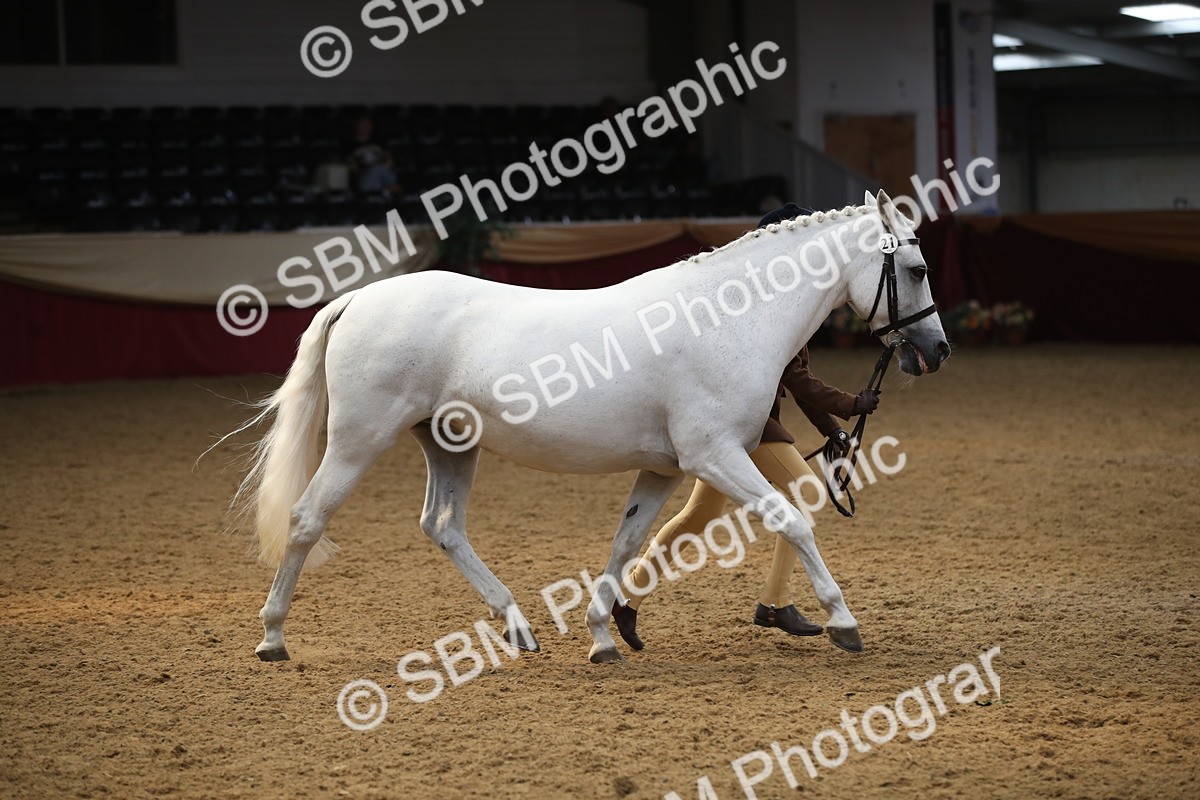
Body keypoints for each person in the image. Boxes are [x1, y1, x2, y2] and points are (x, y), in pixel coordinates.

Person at [612, 203, 880, 650]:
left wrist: (832, 430)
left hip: (736, 428)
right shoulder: (764, 309)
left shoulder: (777, 305)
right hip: (748, 429)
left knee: (699, 515)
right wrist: (852, 405)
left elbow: (794, 379)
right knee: (807, 492)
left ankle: (629, 597)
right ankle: (774, 603)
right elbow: (798, 378)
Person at [347, 115, 400, 195]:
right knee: (373, 176)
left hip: (382, 171)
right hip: (364, 174)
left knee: (378, 170)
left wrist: (383, 166)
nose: (365, 127)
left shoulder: (378, 142)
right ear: (357, 126)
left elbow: (388, 159)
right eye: (362, 125)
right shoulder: (351, 145)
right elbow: (351, 164)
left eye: (368, 125)